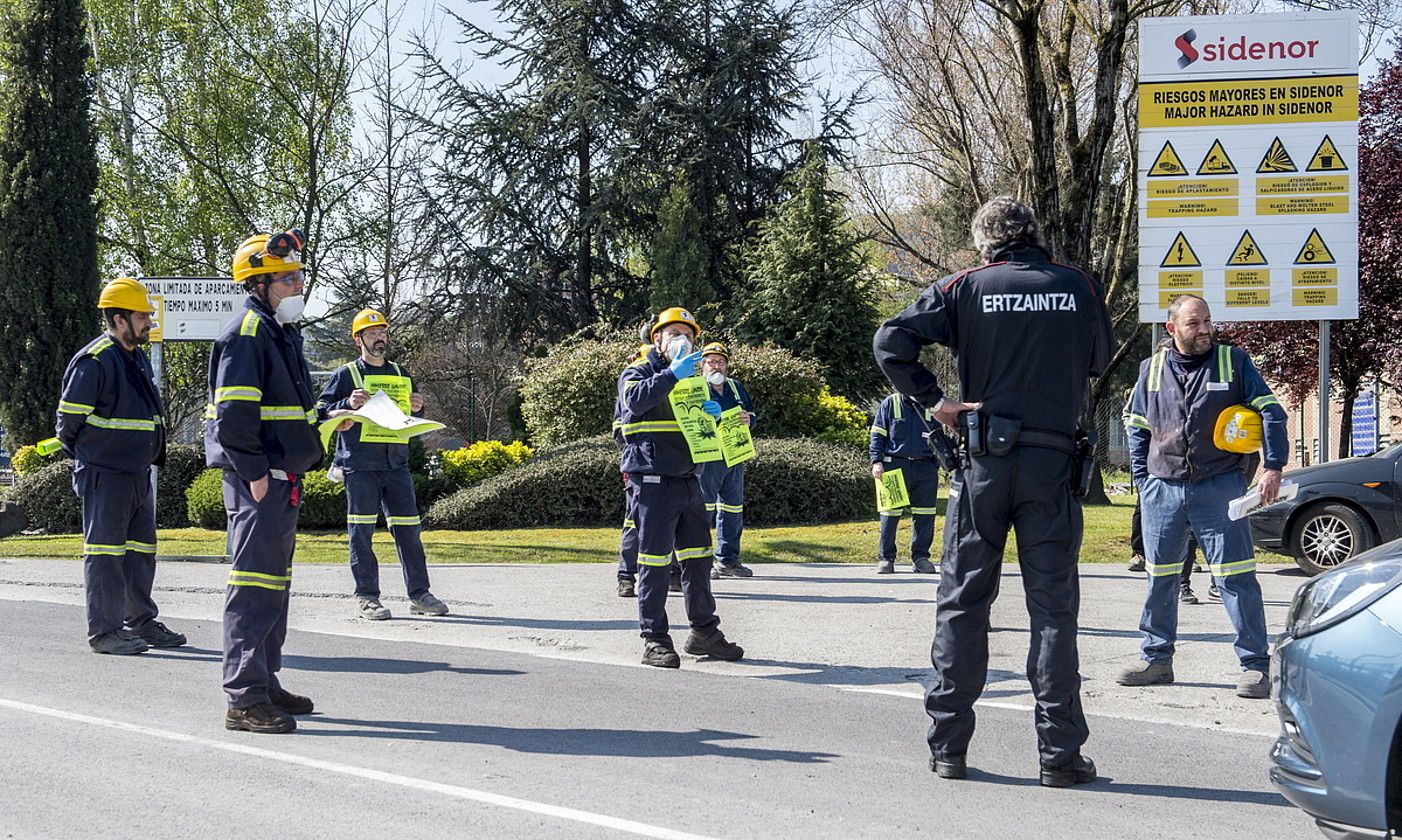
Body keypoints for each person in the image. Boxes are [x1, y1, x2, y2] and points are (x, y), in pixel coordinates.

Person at [873, 196, 1112, 787]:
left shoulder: (965, 286)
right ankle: (1059, 756)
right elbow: (1098, 359)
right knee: (1053, 611)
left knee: (963, 605)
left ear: (985, 242)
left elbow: (891, 341)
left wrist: (937, 402)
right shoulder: (1077, 286)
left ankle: (948, 747)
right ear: (1033, 234)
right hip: (1051, 464)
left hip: (982, 465)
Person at [1117, 294, 1287, 700]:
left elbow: (1271, 411)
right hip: (1163, 488)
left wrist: (1272, 465)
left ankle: (1254, 667)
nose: (1206, 329)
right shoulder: (1151, 368)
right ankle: (1156, 660)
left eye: (1208, 321)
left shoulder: (1234, 361)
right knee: (1161, 579)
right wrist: (1143, 478)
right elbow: (1136, 423)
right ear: (1172, 328)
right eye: (1194, 323)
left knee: (1235, 578)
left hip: (1220, 486)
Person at [206, 229, 322, 734]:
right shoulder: (246, 334)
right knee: (253, 586)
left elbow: (286, 411)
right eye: (289, 278)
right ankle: (244, 699)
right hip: (260, 480)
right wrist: (253, 474)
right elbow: (232, 417)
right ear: (259, 283)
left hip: (282, 476)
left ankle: (265, 680)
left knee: (274, 584)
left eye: (299, 275)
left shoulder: (280, 332)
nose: (299, 285)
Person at [55, 277, 185, 655]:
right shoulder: (95, 360)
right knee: (106, 554)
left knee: (140, 552)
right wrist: (93, 458)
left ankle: (140, 622)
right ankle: (105, 632)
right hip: (105, 474)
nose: (148, 322)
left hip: (136, 473)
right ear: (118, 319)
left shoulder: (135, 355)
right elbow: (68, 424)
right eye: (141, 316)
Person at [615, 307, 744, 668]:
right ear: (656, 338)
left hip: (688, 479)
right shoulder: (639, 371)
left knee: (698, 559)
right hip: (652, 480)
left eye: (687, 334)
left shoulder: (693, 379)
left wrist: (713, 415)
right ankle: (654, 640)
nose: (681, 340)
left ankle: (704, 633)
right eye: (672, 333)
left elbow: (699, 430)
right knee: (654, 563)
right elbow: (634, 401)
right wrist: (671, 374)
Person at [316, 309, 448, 620]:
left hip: (396, 465)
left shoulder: (401, 374)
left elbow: (408, 412)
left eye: (383, 331)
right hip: (360, 465)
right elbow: (321, 410)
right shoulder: (346, 374)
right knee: (361, 532)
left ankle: (420, 595)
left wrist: (418, 405)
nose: (380, 337)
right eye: (372, 332)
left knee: (409, 532)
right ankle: (367, 597)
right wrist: (345, 405)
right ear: (358, 339)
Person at [697, 342, 757, 579]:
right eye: (711, 362)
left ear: (727, 365)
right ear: (702, 366)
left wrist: (748, 420)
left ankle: (728, 560)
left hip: (735, 456)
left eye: (720, 362)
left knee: (733, 509)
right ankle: (701, 561)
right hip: (708, 458)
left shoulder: (736, 387)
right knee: (704, 510)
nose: (716, 366)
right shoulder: (696, 388)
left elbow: (753, 416)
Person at [869, 392, 940, 575]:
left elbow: (939, 434)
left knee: (925, 513)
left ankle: (921, 558)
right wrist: (877, 461)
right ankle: (886, 559)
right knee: (890, 514)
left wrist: (937, 463)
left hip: (925, 467)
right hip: (894, 464)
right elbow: (877, 433)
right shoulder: (890, 403)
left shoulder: (929, 404)